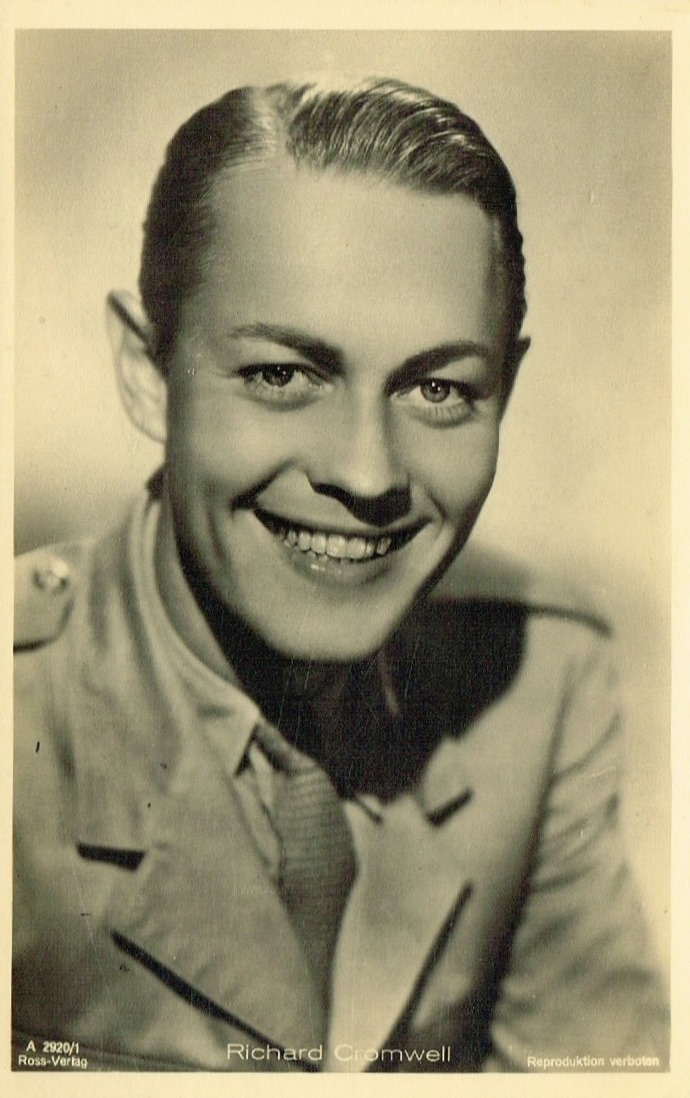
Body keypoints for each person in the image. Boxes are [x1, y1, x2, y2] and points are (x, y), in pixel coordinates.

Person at [13, 76, 668, 1073]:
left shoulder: (536, 683)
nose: (367, 475)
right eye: (282, 375)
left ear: (506, 391)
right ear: (149, 373)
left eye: (438, 388)